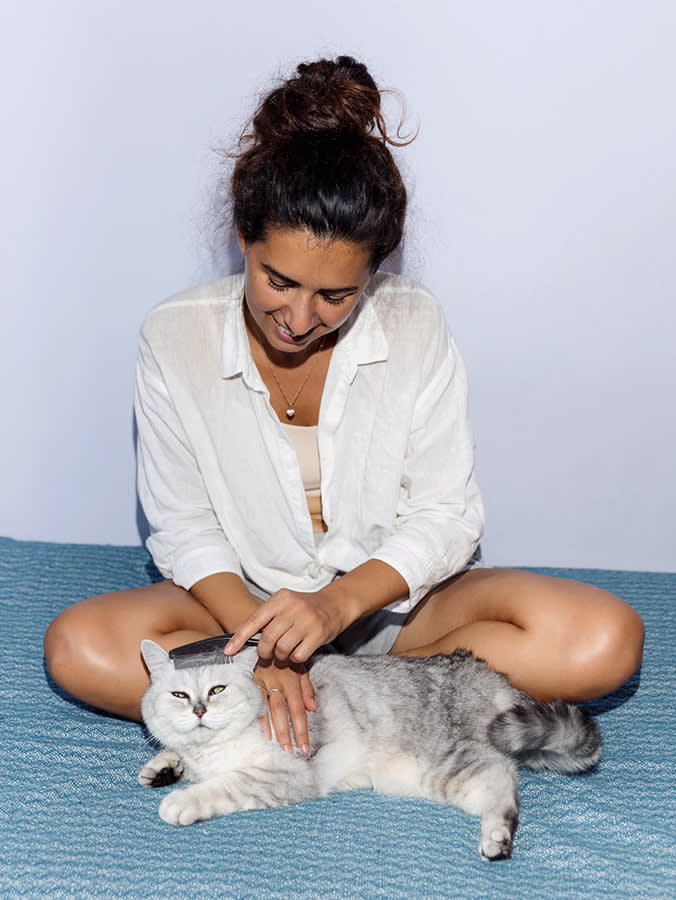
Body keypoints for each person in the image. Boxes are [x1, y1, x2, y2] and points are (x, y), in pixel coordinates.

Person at [44, 56, 644, 757]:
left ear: (375, 272)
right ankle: (354, 702)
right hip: (244, 605)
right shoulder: (173, 336)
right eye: (279, 280)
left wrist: (336, 605)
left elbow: (446, 513)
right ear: (244, 238)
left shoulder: (415, 321)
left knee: (606, 641)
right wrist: (261, 646)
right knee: (79, 648)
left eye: (335, 295)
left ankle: (340, 698)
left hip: (397, 607)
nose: (299, 318)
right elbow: (183, 525)